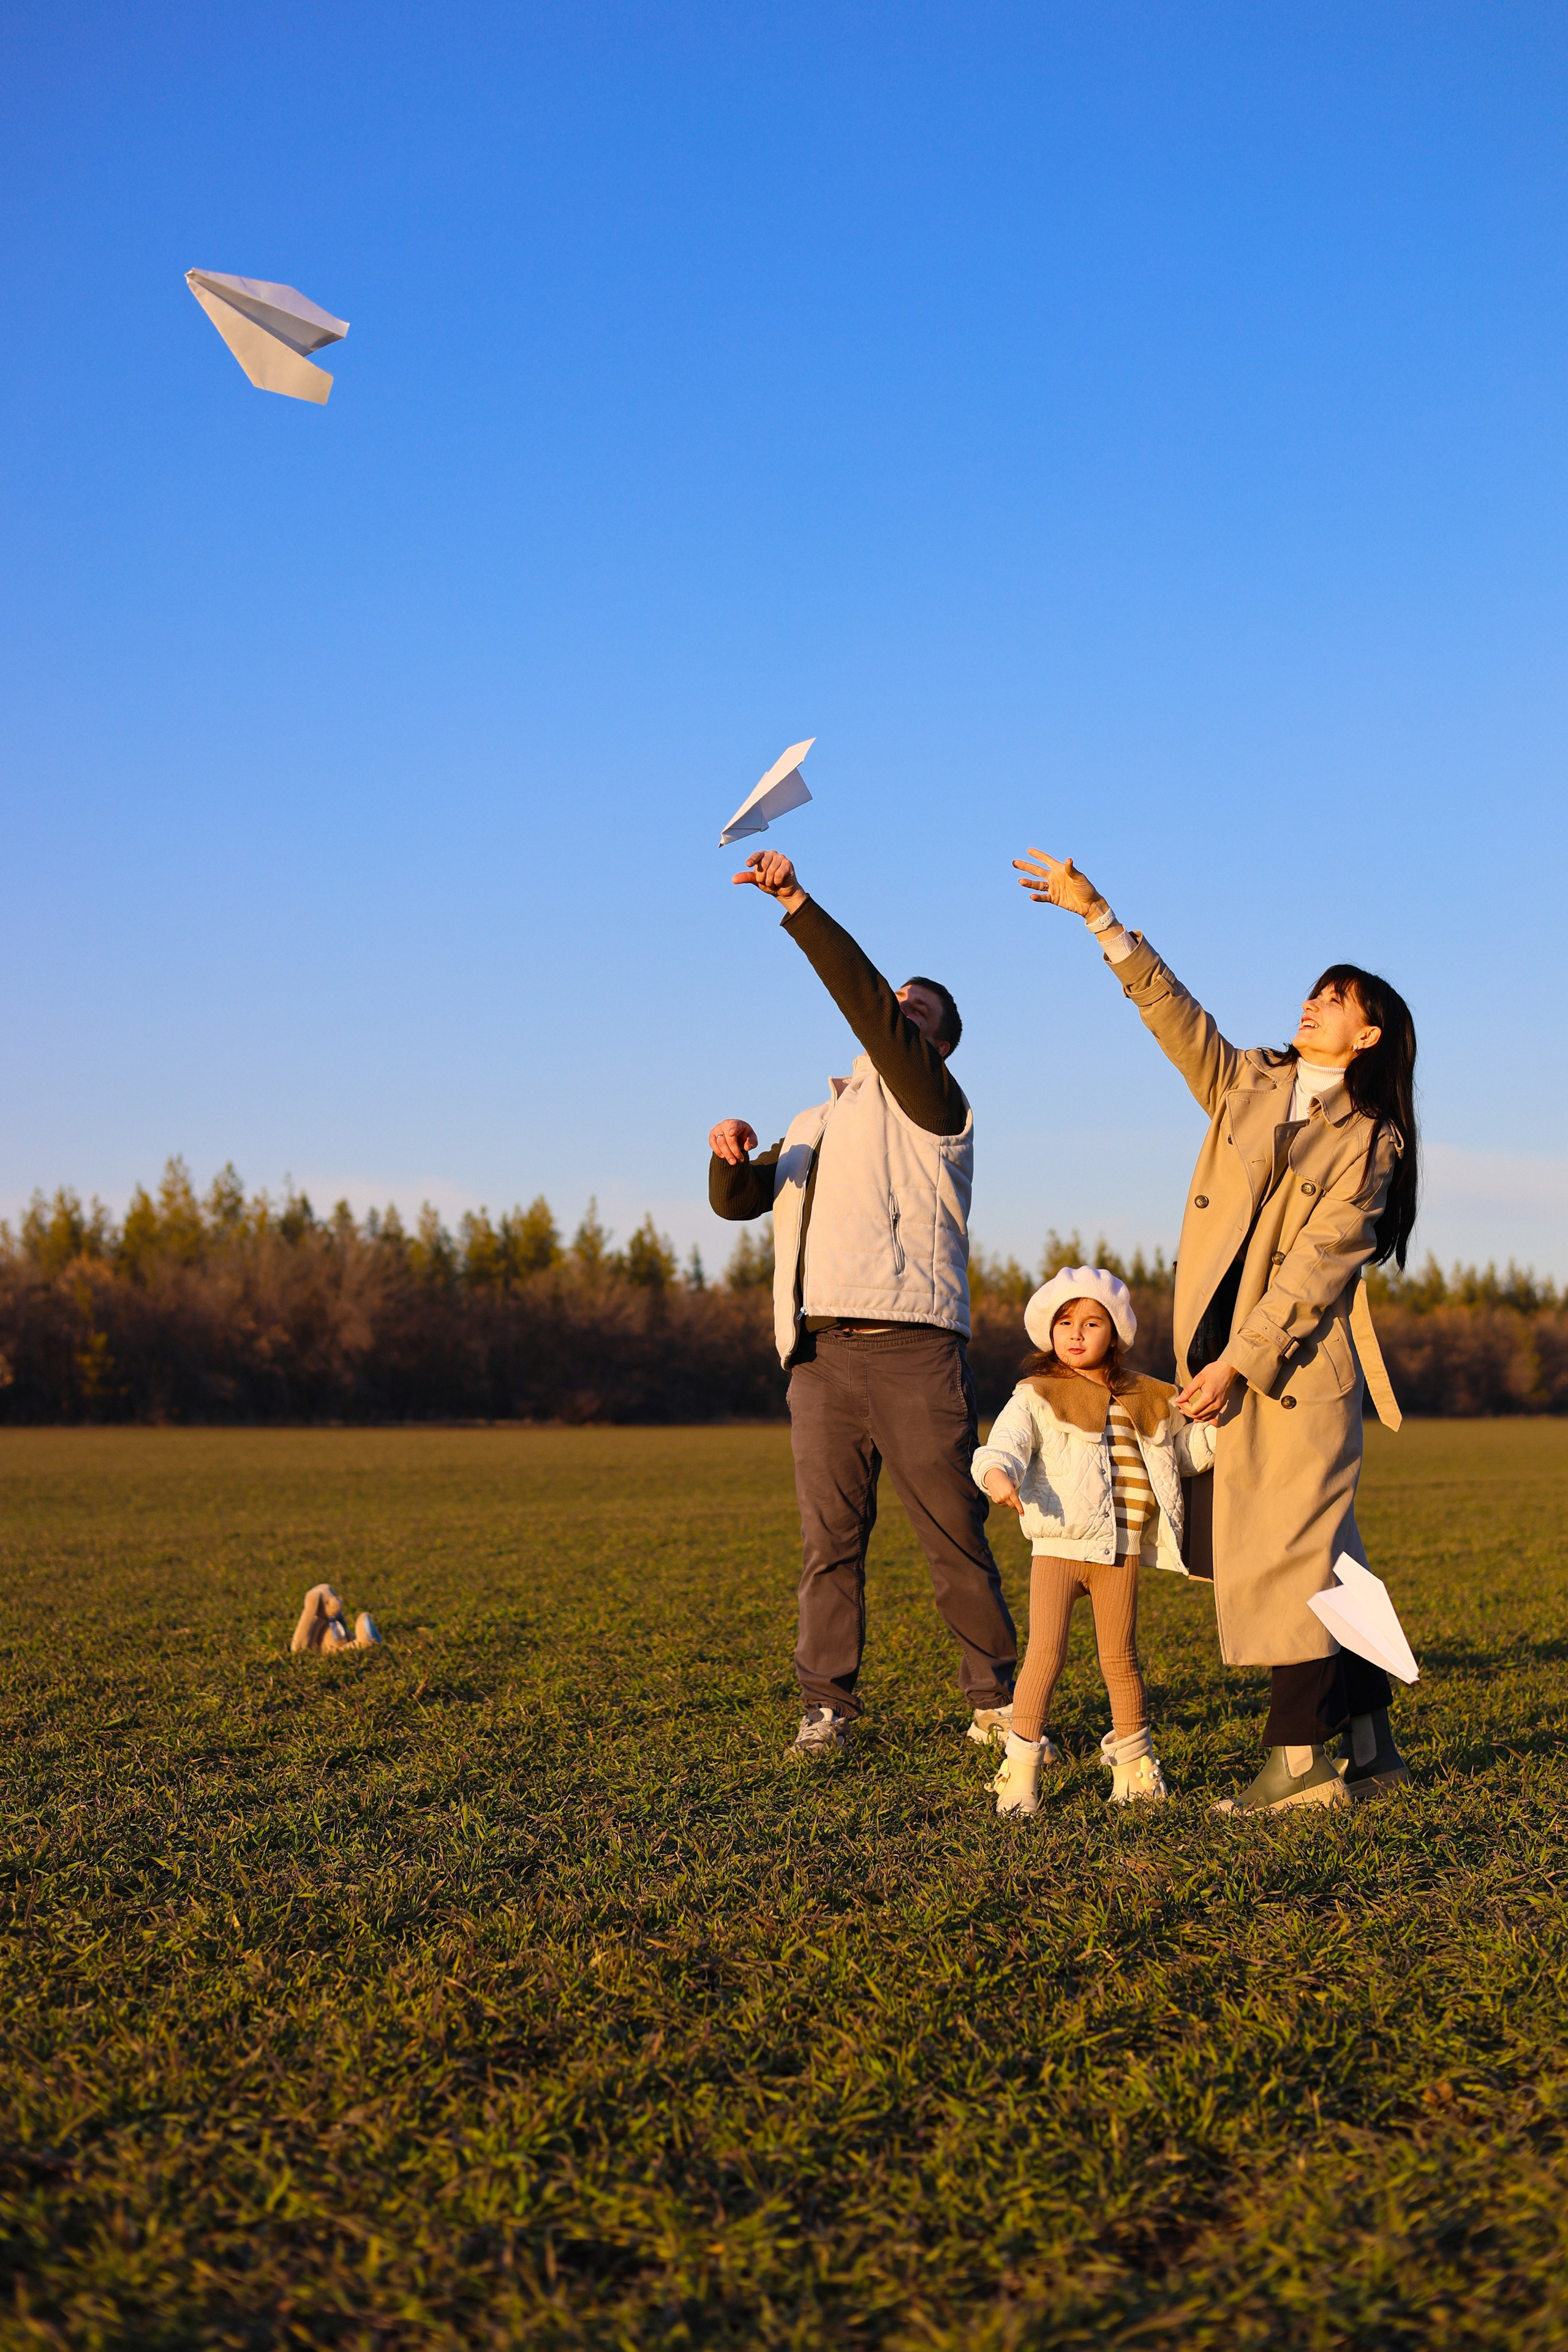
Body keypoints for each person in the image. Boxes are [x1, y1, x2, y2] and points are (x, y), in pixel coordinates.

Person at [1014, 848, 1416, 1817]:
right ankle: (1370, 1736)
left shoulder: (1372, 1141)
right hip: (1223, 1365)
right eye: (1316, 992)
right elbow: (1172, 1014)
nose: (1313, 1004)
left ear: (1368, 1035)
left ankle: (1300, 1764)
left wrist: (1240, 1360)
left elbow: (1318, 1268)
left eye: (1336, 999)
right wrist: (1100, 917)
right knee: (1327, 1555)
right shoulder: (1247, 1083)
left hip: (1295, 1373)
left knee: (1288, 1556)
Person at [709, 847, 1017, 1758]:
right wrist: (728, 1156)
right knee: (827, 1545)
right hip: (818, 1359)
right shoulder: (817, 1120)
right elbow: (744, 1204)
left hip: (913, 1347)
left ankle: (996, 1699)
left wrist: (796, 903)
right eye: (899, 1006)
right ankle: (828, 1707)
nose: (898, 1013)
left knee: (951, 1532)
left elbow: (870, 1003)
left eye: (915, 1011)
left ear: (940, 1042)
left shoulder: (935, 1101)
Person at [973, 1267, 1214, 1816]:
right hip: (1059, 1548)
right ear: (1049, 1331)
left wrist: (1224, 1433)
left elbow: (1183, 1457)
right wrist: (996, 1475)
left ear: (1116, 1334)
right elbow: (1004, 1444)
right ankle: (1021, 1769)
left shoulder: (1150, 1397)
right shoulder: (1037, 1393)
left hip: (1119, 1551)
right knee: (1045, 1656)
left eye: (1091, 1322)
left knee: (1121, 1659)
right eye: (1065, 1322)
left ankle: (1134, 1770)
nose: (1076, 1333)